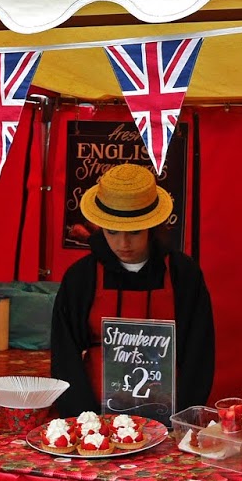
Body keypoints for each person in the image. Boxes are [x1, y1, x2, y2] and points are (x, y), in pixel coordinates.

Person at [50, 162, 214, 417]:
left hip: (170, 415)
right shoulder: (81, 277)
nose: (123, 243)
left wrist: (182, 416)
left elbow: (198, 354)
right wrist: (84, 418)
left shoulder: (184, 274)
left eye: (134, 232)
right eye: (112, 232)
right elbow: (65, 356)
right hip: (96, 414)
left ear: (152, 226)